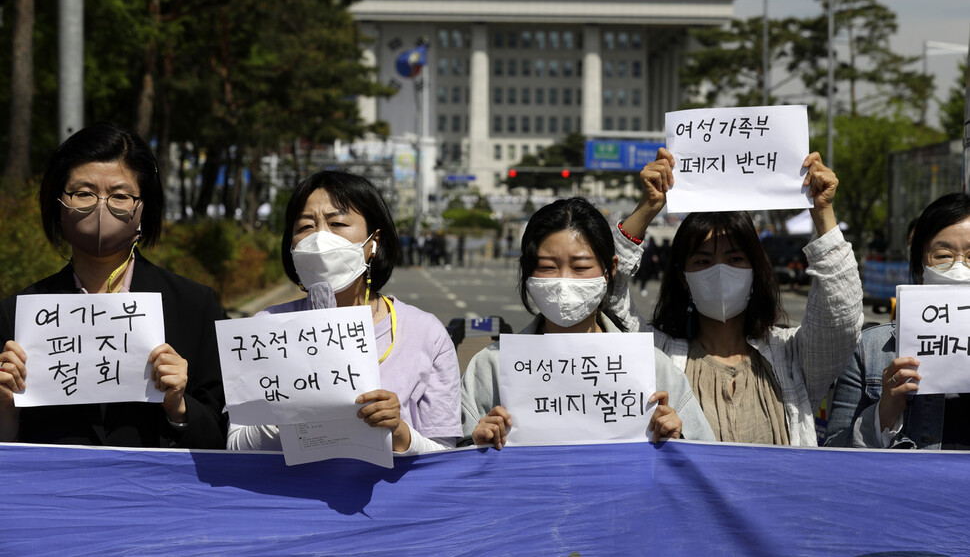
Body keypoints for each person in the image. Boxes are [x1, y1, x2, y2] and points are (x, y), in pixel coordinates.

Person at [612, 148, 862, 446]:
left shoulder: (792, 358)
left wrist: (822, 213)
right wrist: (647, 208)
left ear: (755, 271)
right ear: (683, 277)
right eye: (703, 261)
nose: (719, 271)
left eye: (734, 260)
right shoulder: (657, 356)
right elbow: (608, 299)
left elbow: (842, 317)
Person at [0, 123, 227, 448]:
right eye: (83, 193)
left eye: (120, 196)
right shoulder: (15, 314)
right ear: (57, 204)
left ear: (144, 207)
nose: (101, 207)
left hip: (162, 496)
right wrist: (5, 405)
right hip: (56, 496)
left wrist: (179, 406)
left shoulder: (194, 305)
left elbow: (223, 437)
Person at [226, 171, 461, 455]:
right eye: (305, 227)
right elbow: (237, 446)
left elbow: (445, 454)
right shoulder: (266, 328)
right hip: (295, 496)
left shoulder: (425, 332)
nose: (320, 238)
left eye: (337, 223)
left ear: (373, 242)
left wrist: (398, 431)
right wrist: (284, 416)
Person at [462, 197, 715, 449]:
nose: (564, 281)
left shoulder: (653, 366)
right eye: (547, 267)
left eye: (580, 266)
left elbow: (708, 461)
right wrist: (475, 444)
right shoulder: (490, 366)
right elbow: (448, 466)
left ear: (610, 270)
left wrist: (678, 438)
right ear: (527, 271)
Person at [826, 193, 970, 449]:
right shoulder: (868, 350)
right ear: (919, 267)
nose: (960, 268)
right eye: (943, 256)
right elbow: (833, 454)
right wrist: (884, 413)